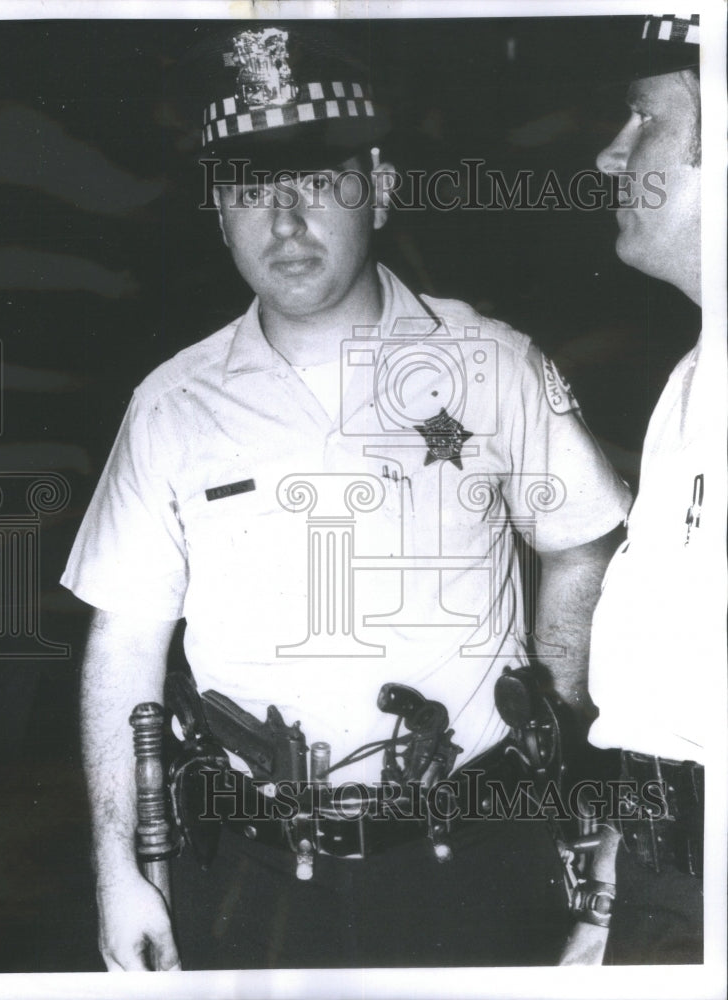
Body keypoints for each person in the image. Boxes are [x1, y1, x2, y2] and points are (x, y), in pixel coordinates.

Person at [61, 23, 631, 972]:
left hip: (476, 862)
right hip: (248, 871)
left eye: (317, 182)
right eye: (248, 188)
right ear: (217, 207)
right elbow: (123, 642)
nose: (282, 222)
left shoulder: (489, 364)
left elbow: (581, 543)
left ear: (381, 184)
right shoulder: (171, 405)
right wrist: (116, 865)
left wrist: (560, 728)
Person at [560, 13, 724, 966]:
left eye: (641, 120)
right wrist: (614, 889)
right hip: (672, 865)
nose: (607, 156)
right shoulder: (693, 376)